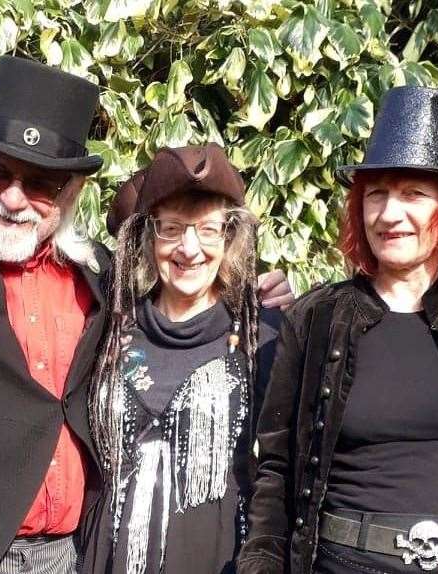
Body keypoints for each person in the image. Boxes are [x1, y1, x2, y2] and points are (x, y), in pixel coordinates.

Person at [0, 56, 293, 574]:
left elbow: (182, 278)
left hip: (68, 556)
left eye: (40, 184)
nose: (12, 198)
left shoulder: (98, 274)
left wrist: (248, 297)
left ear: (71, 192)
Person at [238, 86, 438, 574]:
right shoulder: (317, 318)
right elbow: (277, 470)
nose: (389, 214)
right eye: (376, 194)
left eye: (413, 194)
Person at [81, 144, 281, 574]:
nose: (189, 249)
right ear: (149, 237)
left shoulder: (261, 339)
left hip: (217, 559)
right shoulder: (106, 328)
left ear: (229, 237)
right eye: (171, 229)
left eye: (207, 229)